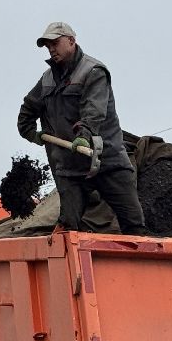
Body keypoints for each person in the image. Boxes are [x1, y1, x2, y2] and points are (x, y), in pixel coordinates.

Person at [16, 21, 146, 234]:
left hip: (106, 160)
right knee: (68, 228)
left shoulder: (93, 71)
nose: (51, 49)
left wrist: (84, 135)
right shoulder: (48, 80)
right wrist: (29, 131)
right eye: (47, 45)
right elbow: (29, 108)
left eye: (55, 43)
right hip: (70, 166)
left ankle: (140, 263)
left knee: (133, 222)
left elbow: (93, 111)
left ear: (71, 41)